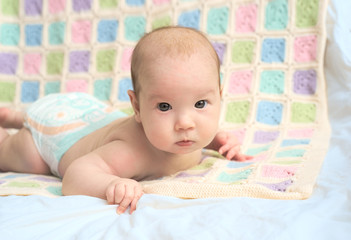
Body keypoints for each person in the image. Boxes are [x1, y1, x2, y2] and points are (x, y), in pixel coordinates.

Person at [0, 26, 252, 214]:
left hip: (88, 115)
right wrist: (112, 183)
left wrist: (216, 141)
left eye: (200, 104)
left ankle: (14, 115)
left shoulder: (184, 133)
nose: (186, 123)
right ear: (137, 108)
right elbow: (74, 176)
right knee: (27, 159)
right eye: (164, 106)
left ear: (219, 96)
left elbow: (195, 133)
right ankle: (10, 131)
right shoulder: (130, 151)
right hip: (57, 133)